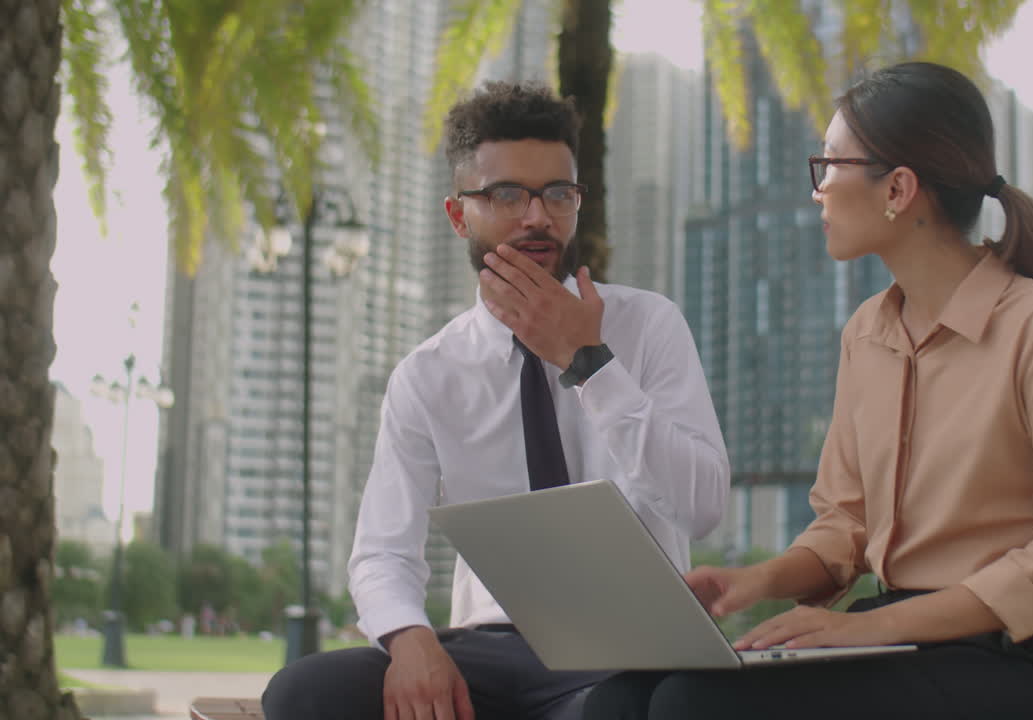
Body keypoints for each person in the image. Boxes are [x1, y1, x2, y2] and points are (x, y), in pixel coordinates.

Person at [583, 61, 1033, 720]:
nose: (819, 191)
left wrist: (871, 628)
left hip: (1015, 659)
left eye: (830, 165)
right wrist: (754, 582)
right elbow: (845, 526)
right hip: (892, 636)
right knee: (618, 700)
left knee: (694, 705)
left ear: (898, 187)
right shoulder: (867, 333)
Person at [262, 82, 730, 720]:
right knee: (304, 692)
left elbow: (701, 508)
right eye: (506, 194)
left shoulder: (648, 326)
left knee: (625, 711)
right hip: (488, 652)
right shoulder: (428, 375)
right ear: (459, 214)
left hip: (631, 652)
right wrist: (410, 641)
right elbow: (382, 550)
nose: (537, 216)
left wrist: (587, 361)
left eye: (558, 193)